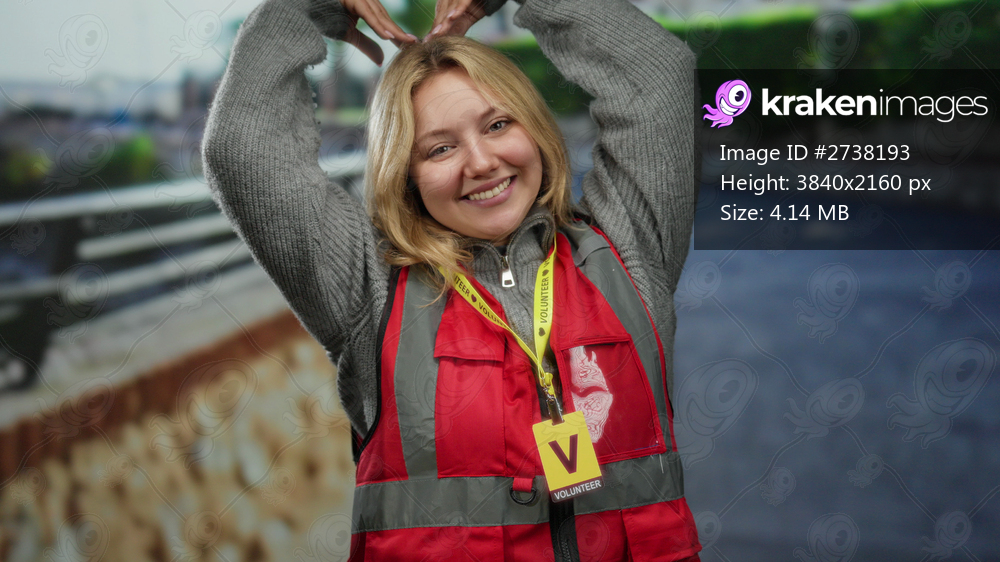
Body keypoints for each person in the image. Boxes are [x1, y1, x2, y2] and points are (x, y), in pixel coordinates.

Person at [201, 0, 701, 559]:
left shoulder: (626, 247)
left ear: (535, 130)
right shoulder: (369, 289)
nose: (481, 162)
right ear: (406, 176)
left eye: (498, 125)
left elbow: (657, 79)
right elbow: (242, 149)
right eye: (440, 149)